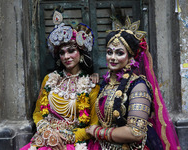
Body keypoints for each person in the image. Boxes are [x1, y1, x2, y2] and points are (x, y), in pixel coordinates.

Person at [86, 16, 181, 150]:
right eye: (109, 52)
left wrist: (98, 132)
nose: (112, 58)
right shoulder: (106, 83)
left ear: (131, 57)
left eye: (119, 53)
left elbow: (136, 132)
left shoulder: (138, 85)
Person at [20, 9, 100, 150]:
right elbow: (38, 112)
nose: (66, 56)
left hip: (71, 142)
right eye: (62, 53)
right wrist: (47, 132)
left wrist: (67, 137)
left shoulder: (91, 85)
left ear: (81, 53)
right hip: (45, 138)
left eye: (71, 50)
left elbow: (92, 125)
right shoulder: (50, 79)